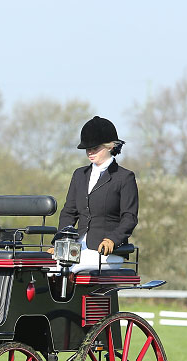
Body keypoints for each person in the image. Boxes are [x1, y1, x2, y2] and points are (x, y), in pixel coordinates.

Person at [55, 116, 138, 272]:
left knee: (68, 269)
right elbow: (69, 212)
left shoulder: (124, 178)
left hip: (107, 251)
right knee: (48, 268)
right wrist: (60, 243)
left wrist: (113, 240)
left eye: (95, 148)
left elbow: (129, 217)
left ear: (109, 146)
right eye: (87, 149)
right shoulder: (79, 175)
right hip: (77, 248)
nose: (90, 152)